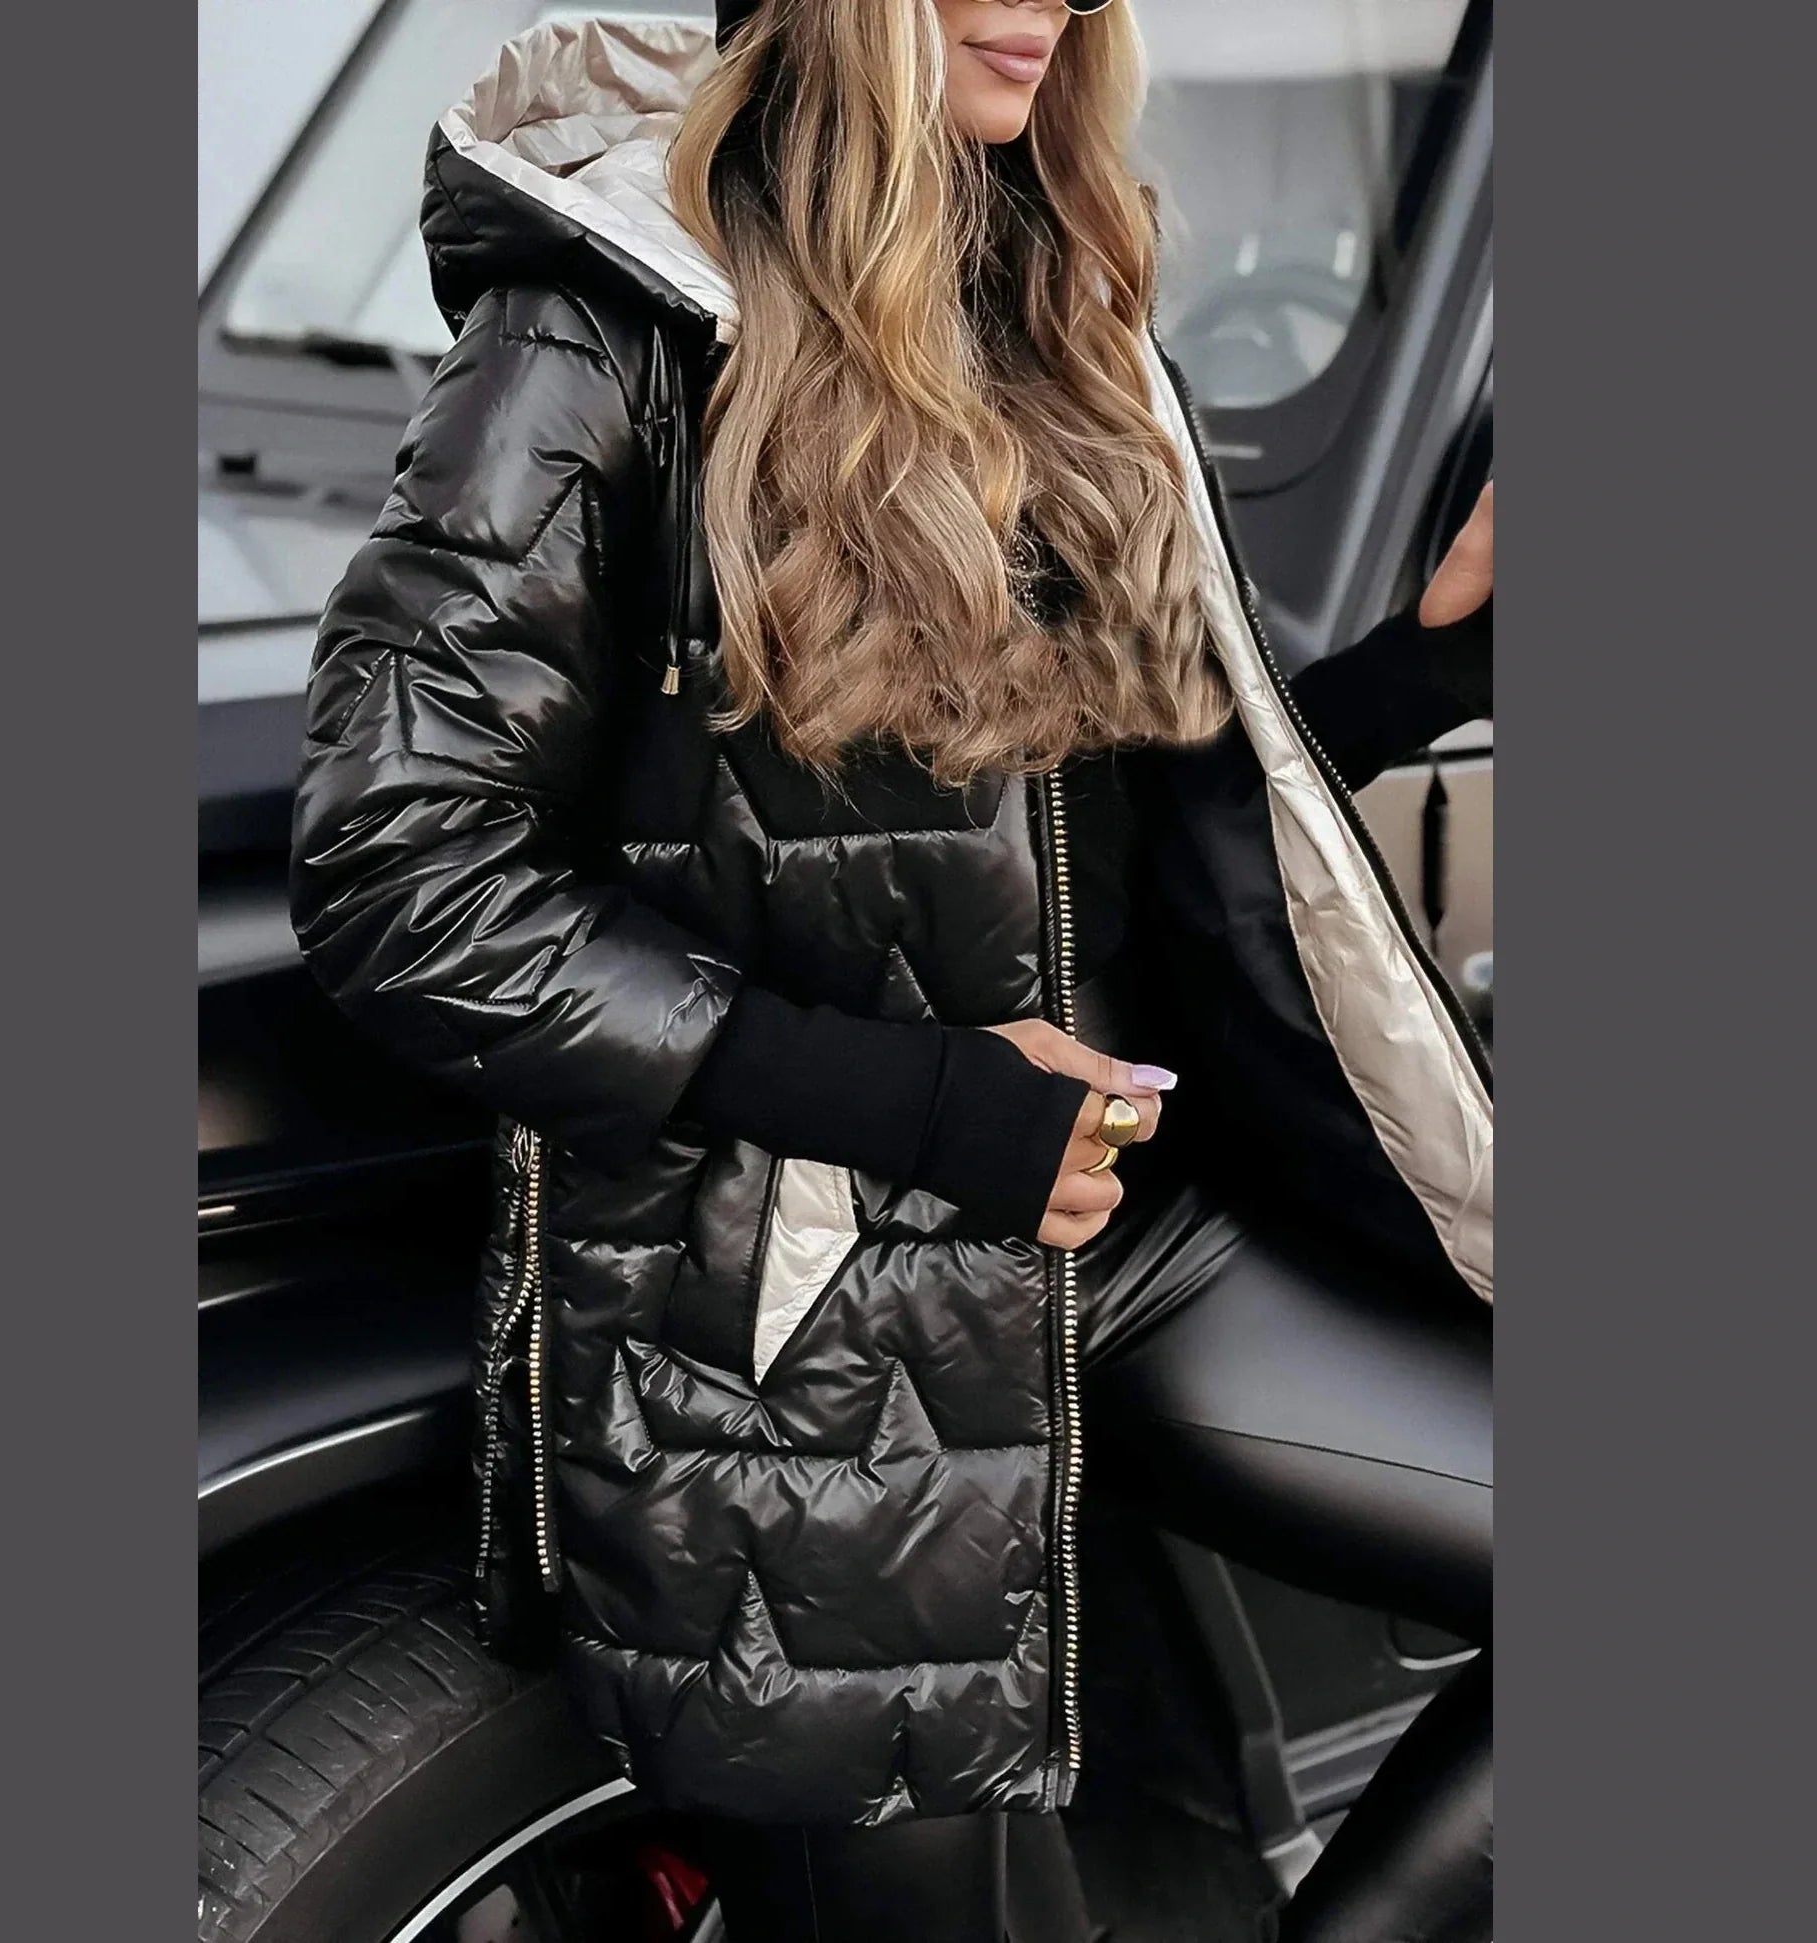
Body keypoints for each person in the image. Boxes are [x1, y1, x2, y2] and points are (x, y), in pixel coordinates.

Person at [288, 5, 1494, 1938]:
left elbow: (1137, 802)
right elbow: (399, 865)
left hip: (1138, 1228)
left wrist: (1433, 667)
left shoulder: (1048, 281)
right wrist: (920, 1101)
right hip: (822, 1297)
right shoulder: (606, 314)